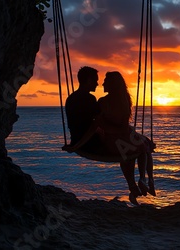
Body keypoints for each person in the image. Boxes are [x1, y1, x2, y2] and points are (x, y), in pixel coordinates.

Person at [63, 67, 150, 205]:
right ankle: (142, 181)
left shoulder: (70, 98)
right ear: (88, 80)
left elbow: (83, 125)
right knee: (132, 149)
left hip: (78, 139)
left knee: (131, 148)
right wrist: (77, 146)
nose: (98, 84)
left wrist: (75, 143)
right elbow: (94, 126)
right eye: (96, 81)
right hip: (91, 143)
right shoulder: (91, 100)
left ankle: (136, 185)